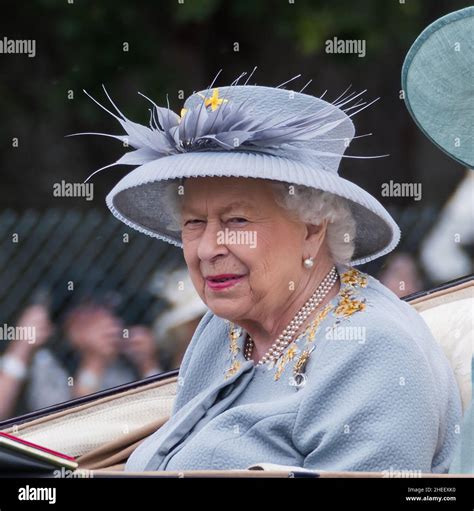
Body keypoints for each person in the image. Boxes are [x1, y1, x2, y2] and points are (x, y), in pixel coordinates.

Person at [77, 75, 462, 473]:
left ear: (313, 229)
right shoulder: (222, 329)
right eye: (194, 222)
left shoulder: (371, 350)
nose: (208, 248)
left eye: (237, 220)